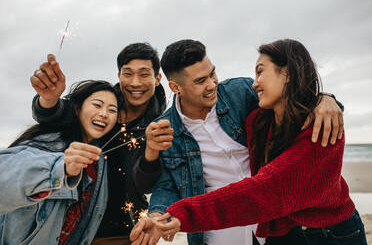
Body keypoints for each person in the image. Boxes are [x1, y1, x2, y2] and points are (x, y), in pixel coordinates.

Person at [133, 39, 368, 245]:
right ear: (175, 87)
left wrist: (326, 99)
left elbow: (295, 101)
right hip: (220, 232)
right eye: (200, 80)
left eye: (213, 73)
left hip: (277, 225)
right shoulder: (164, 129)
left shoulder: (241, 93)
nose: (212, 84)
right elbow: (165, 185)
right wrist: (159, 215)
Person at [29, 43, 173, 245]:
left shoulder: (162, 125)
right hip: (64, 224)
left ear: (158, 79)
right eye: (128, 73)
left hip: (121, 232)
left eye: (144, 74)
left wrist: (151, 152)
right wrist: (48, 99)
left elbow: (146, 185)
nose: (135, 82)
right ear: (119, 75)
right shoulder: (100, 102)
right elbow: (55, 115)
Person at [0, 80, 120, 244]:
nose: (104, 114)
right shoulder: (49, 142)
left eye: (112, 110)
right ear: (77, 109)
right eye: (97, 105)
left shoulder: (100, 159)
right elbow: (6, 174)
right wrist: (61, 168)